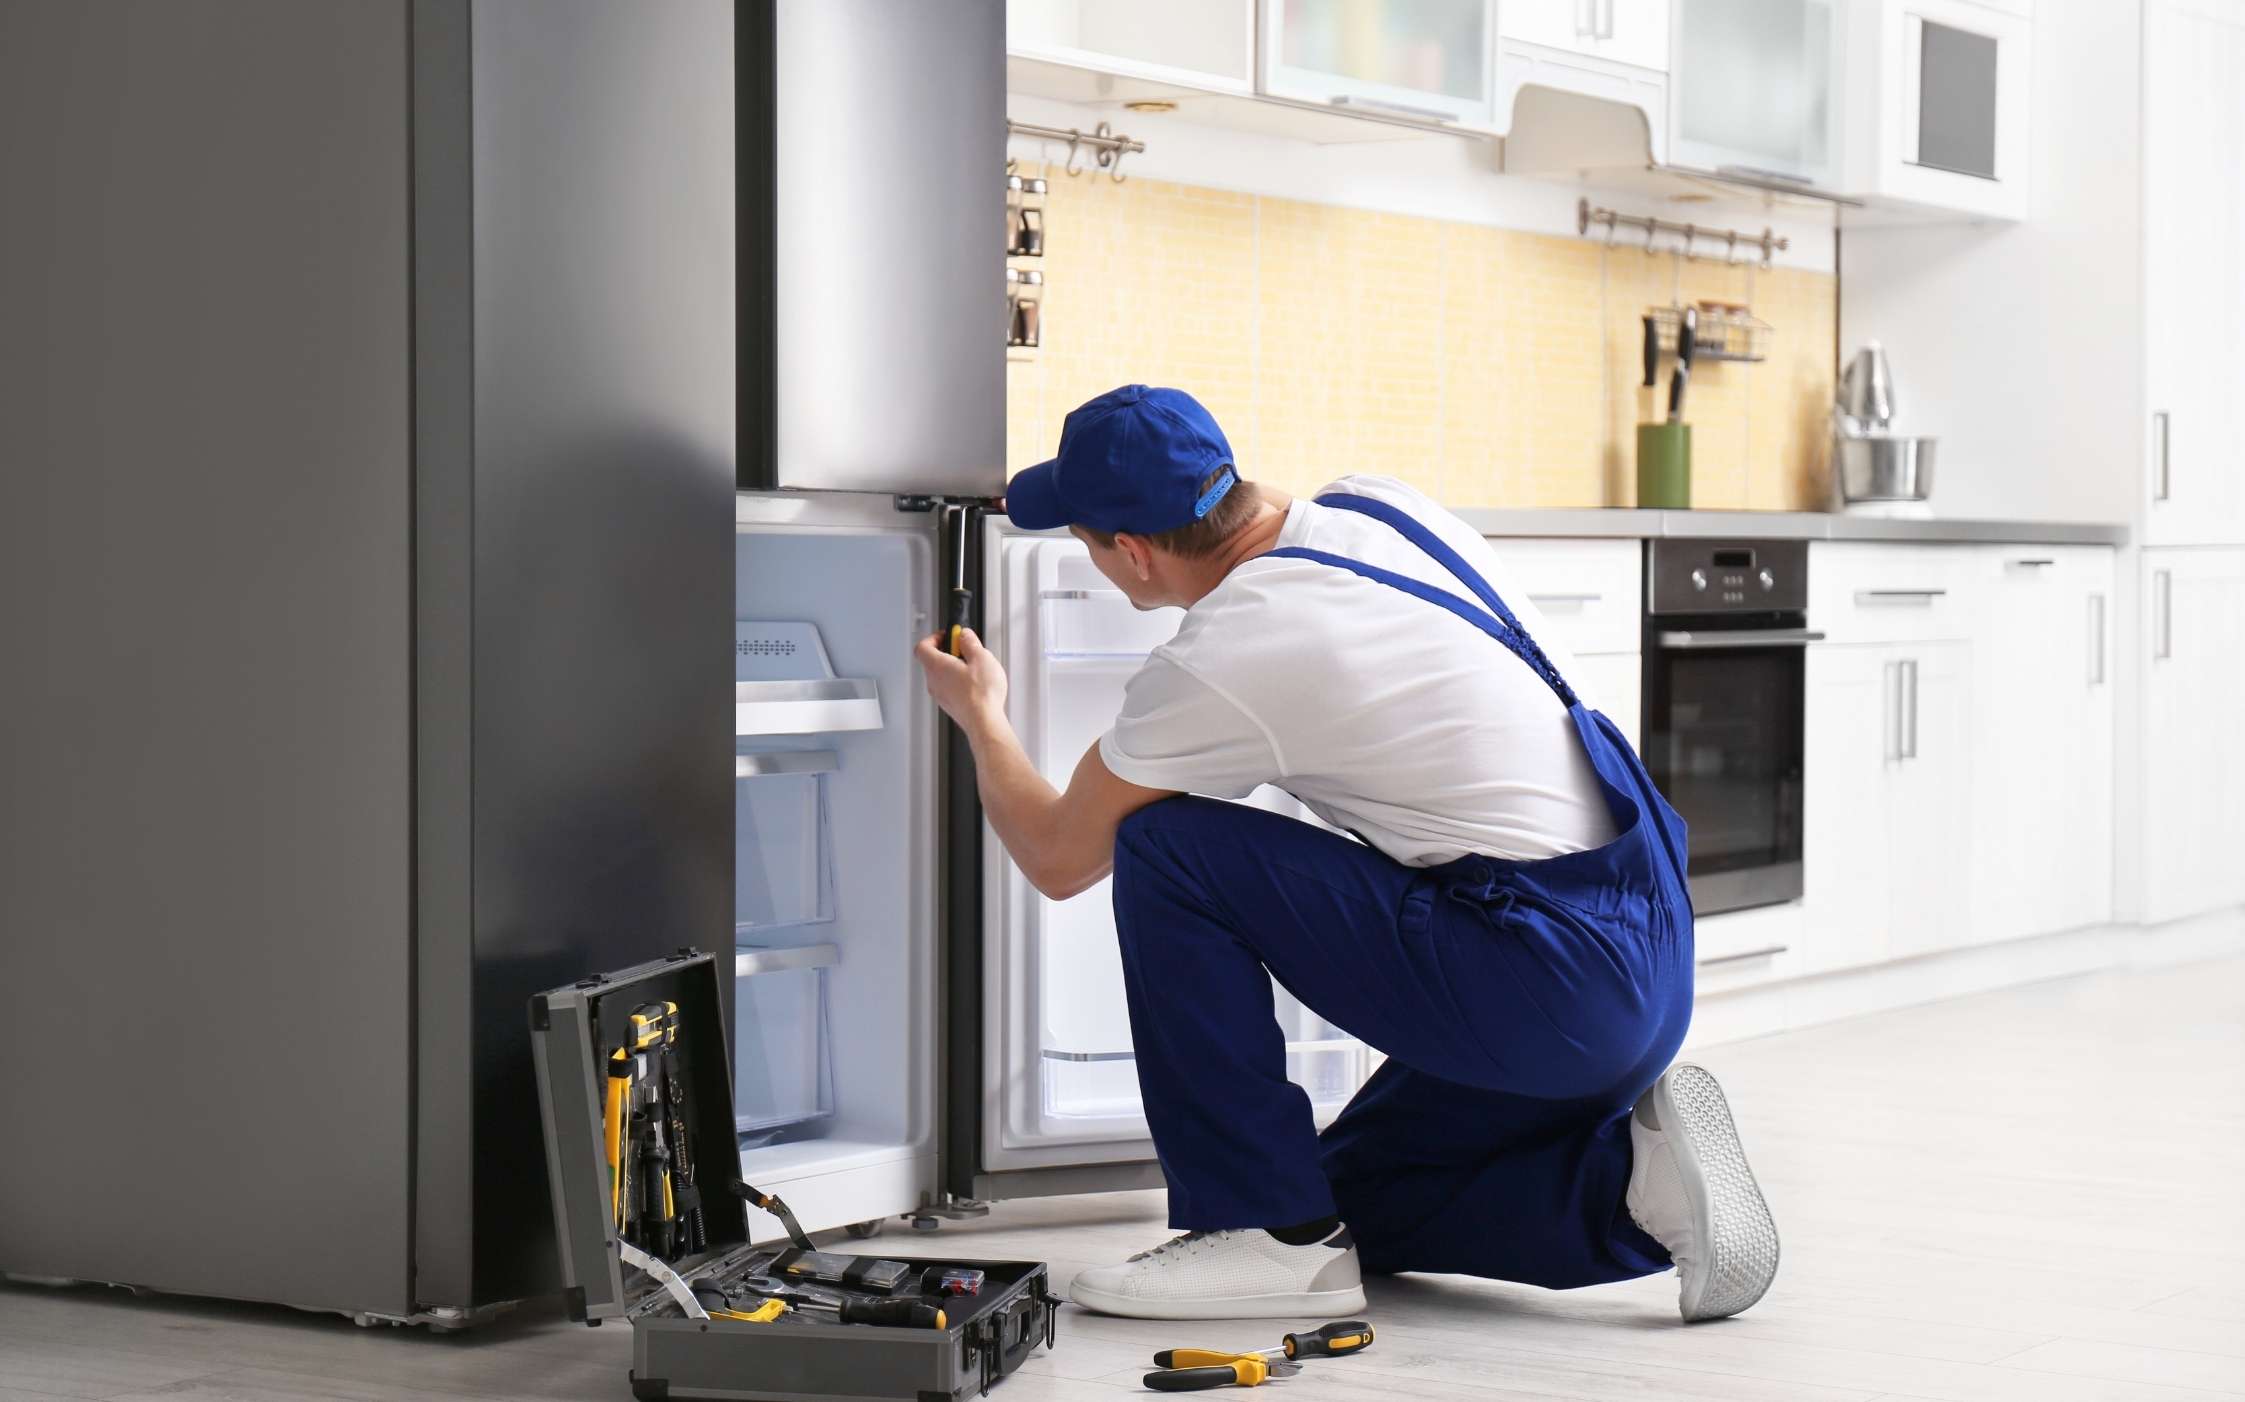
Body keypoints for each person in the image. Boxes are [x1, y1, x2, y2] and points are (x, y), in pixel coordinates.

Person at [914, 385, 1778, 1323]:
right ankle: (1632, 1194)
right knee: (1344, 1201)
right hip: (1642, 947)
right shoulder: (1380, 505)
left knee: (1166, 846)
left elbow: (1056, 855)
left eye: (1087, 541)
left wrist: (983, 717)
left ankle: (1260, 1232)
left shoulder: (1228, 650)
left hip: (1544, 981)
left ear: (1131, 552)